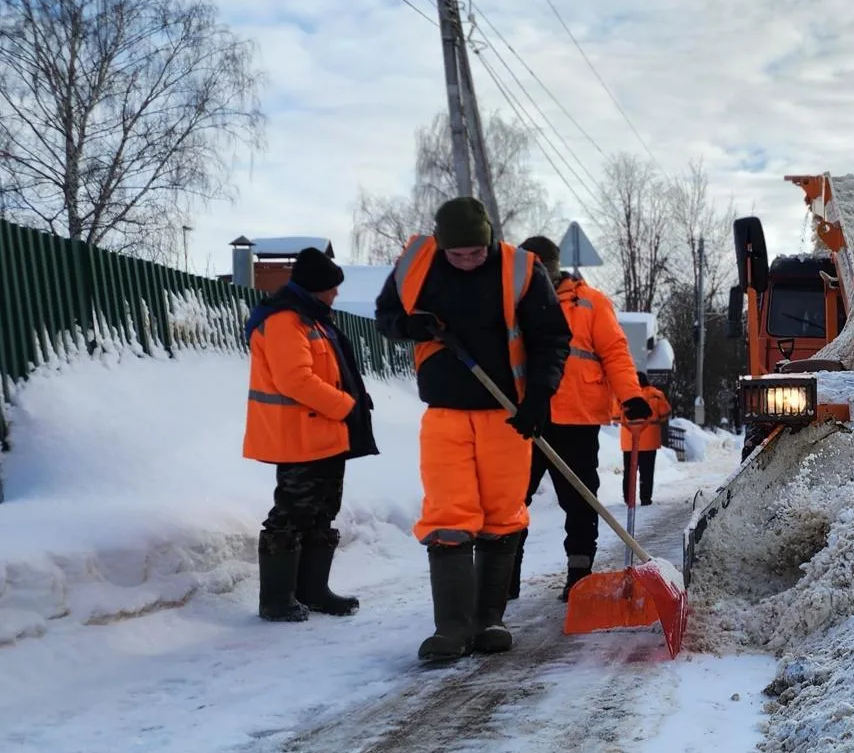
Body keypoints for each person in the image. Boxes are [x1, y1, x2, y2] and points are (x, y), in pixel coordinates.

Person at [374, 198, 571, 664]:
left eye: (475, 253)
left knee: (502, 516)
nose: (466, 261)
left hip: (506, 413)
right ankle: (452, 628)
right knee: (448, 514)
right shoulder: (417, 264)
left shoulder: (523, 270)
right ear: (441, 245)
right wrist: (411, 325)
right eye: (457, 255)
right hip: (444, 410)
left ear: (489, 239)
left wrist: (540, 396)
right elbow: (386, 318)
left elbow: (551, 337)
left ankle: (489, 620)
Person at [517, 235, 656, 602]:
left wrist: (632, 396)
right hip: (523, 418)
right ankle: (504, 577)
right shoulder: (509, 301)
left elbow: (615, 352)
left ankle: (579, 575)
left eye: (540, 268)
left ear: (553, 266)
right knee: (511, 500)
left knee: (579, 501)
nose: (536, 276)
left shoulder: (591, 304)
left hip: (576, 420)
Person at [242, 247, 378, 621]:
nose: (336, 294)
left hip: (324, 434)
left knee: (321, 512)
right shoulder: (286, 321)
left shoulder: (310, 318)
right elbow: (295, 379)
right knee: (291, 513)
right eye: (332, 288)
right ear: (317, 288)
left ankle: (312, 592)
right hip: (297, 437)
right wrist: (345, 405)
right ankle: (276, 601)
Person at [618, 373, 674, 508]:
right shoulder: (656, 394)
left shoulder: (624, 395)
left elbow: (615, 415)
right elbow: (665, 412)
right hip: (649, 441)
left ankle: (628, 498)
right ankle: (645, 498)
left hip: (629, 441)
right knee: (647, 471)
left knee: (629, 471)